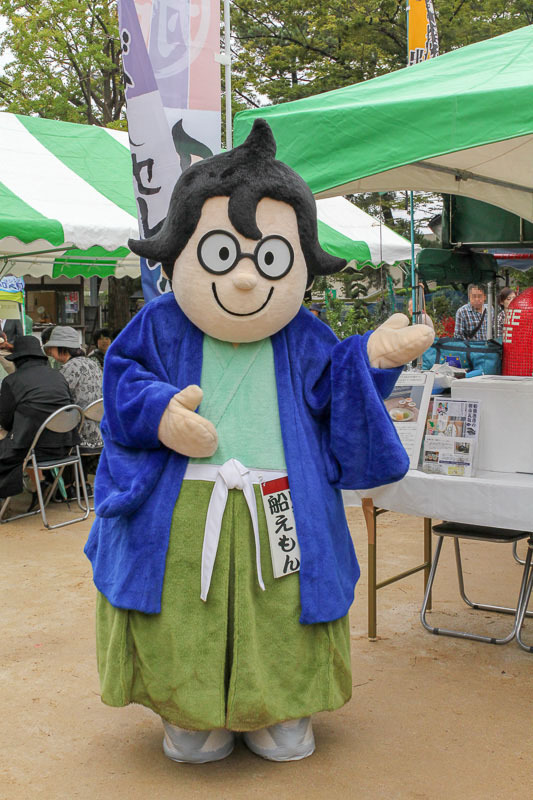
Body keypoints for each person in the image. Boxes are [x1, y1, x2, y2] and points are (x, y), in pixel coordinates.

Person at [85, 119, 433, 764]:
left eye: (268, 258)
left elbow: (334, 392)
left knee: (284, 607)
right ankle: (190, 712)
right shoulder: (159, 324)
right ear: (181, 250)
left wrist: (370, 358)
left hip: (282, 500)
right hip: (183, 505)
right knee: (183, 611)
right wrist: (160, 413)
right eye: (223, 254)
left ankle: (281, 707)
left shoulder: (304, 335)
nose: (246, 279)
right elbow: (124, 380)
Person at [0, 335, 75, 501]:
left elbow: (5, 421)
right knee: (27, 431)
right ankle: (39, 484)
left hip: (33, 450)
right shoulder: (58, 376)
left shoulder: (11, 381)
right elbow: (70, 407)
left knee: (14, 438)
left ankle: (17, 497)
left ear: (17, 360)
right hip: (65, 446)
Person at [43, 326, 103, 451]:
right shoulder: (92, 363)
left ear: (62, 347)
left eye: (52, 348)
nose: (50, 352)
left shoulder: (69, 368)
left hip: (80, 434)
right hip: (101, 433)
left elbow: (56, 398)